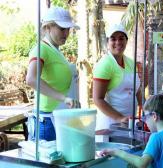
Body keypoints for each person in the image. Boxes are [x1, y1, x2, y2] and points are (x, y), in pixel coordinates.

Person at [26, 6, 80, 141]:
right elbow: (31, 79)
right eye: (62, 28)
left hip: (59, 118)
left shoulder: (56, 51)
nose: (66, 33)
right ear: (48, 27)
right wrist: (64, 98)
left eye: (68, 29)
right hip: (47, 121)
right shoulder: (41, 49)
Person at [100, 93, 163, 168]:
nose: (145, 121)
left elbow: (142, 163)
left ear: (154, 116)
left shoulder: (156, 137)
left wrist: (116, 152)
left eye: (146, 117)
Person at [93, 24, 141, 131]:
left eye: (121, 38)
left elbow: (136, 91)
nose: (118, 42)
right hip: (110, 124)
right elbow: (97, 99)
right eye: (113, 39)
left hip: (129, 122)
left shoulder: (131, 63)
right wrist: (120, 118)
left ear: (126, 41)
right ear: (108, 42)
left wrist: (146, 110)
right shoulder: (105, 64)